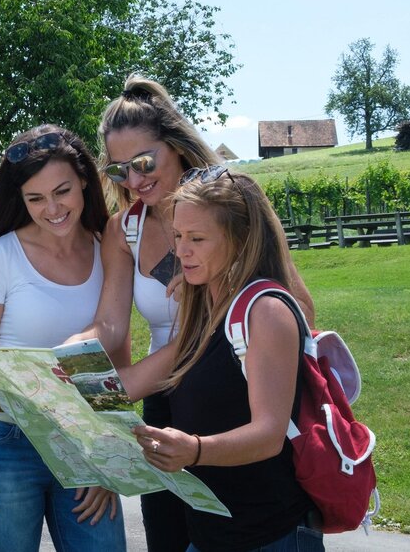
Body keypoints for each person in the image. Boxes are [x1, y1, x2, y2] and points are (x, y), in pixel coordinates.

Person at [73, 76, 315, 552]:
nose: (136, 180)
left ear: (177, 146)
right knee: (174, 532)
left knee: (252, 521)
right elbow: (111, 325)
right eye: (120, 171)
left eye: (144, 162)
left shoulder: (232, 206)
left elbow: (295, 305)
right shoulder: (125, 228)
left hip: (232, 381)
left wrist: (225, 318)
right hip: (168, 388)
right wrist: (62, 361)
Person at [116, 166, 324, 552]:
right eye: (178, 236)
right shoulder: (205, 318)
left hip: (268, 537)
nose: (181, 251)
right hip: (211, 537)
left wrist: (194, 449)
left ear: (242, 240)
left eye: (197, 238)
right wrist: (36, 388)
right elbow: (127, 387)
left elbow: (268, 435)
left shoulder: (267, 311)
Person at [0, 125, 127, 552]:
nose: (52, 208)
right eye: (35, 198)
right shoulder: (1, 256)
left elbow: (117, 358)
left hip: (87, 441)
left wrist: (112, 454)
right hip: (7, 445)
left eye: (62, 191)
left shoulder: (108, 247)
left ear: (85, 181)